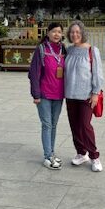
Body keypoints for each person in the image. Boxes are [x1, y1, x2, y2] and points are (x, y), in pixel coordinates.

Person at [65, 20, 104, 172]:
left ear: (82, 33)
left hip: (86, 95)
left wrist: (96, 93)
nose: (74, 34)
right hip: (70, 94)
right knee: (74, 126)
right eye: (72, 32)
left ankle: (94, 156)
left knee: (85, 125)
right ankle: (81, 153)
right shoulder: (68, 50)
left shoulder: (92, 50)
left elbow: (98, 73)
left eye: (77, 32)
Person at [28, 22, 66, 170]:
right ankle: (47, 157)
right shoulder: (41, 49)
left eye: (59, 32)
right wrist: (36, 94)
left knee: (54, 125)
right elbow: (34, 73)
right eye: (54, 31)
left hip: (59, 94)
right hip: (44, 94)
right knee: (47, 124)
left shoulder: (63, 49)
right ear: (48, 33)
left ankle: (51, 152)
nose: (57, 34)